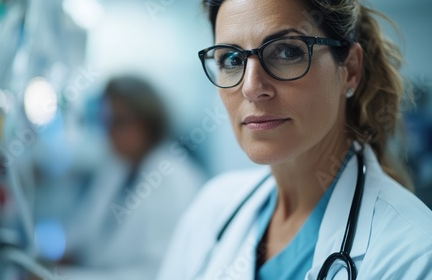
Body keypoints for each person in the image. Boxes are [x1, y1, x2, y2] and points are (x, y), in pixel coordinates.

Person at [157, 0, 432, 279]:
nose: (251, 88)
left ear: (349, 69)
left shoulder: (414, 255)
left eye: (287, 52)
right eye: (232, 59)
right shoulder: (211, 210)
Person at [64, 76, 206, 279]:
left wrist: (64, 276)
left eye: (118, 122)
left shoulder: (174, 180)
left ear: (146, 122)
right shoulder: (117, 169)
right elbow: (83, 236)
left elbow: (158, 272)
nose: (109, 133)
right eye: (106, 121)